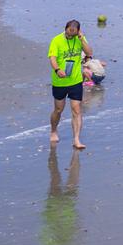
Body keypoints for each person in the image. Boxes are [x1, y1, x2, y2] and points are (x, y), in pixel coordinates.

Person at [47, 19, 90, 150]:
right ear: (65, 29)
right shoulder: (56, 40)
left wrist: (82, 40)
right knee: (59, 109)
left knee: (77, 110)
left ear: (78, 31)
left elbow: (89, 53)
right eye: (68, 32)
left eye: (73, 32)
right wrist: (57, 70)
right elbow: (52, 58)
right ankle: (53, 131)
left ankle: (76, 139)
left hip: (76, 80)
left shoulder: (80, 39)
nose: (70, 35)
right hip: (60, 81)